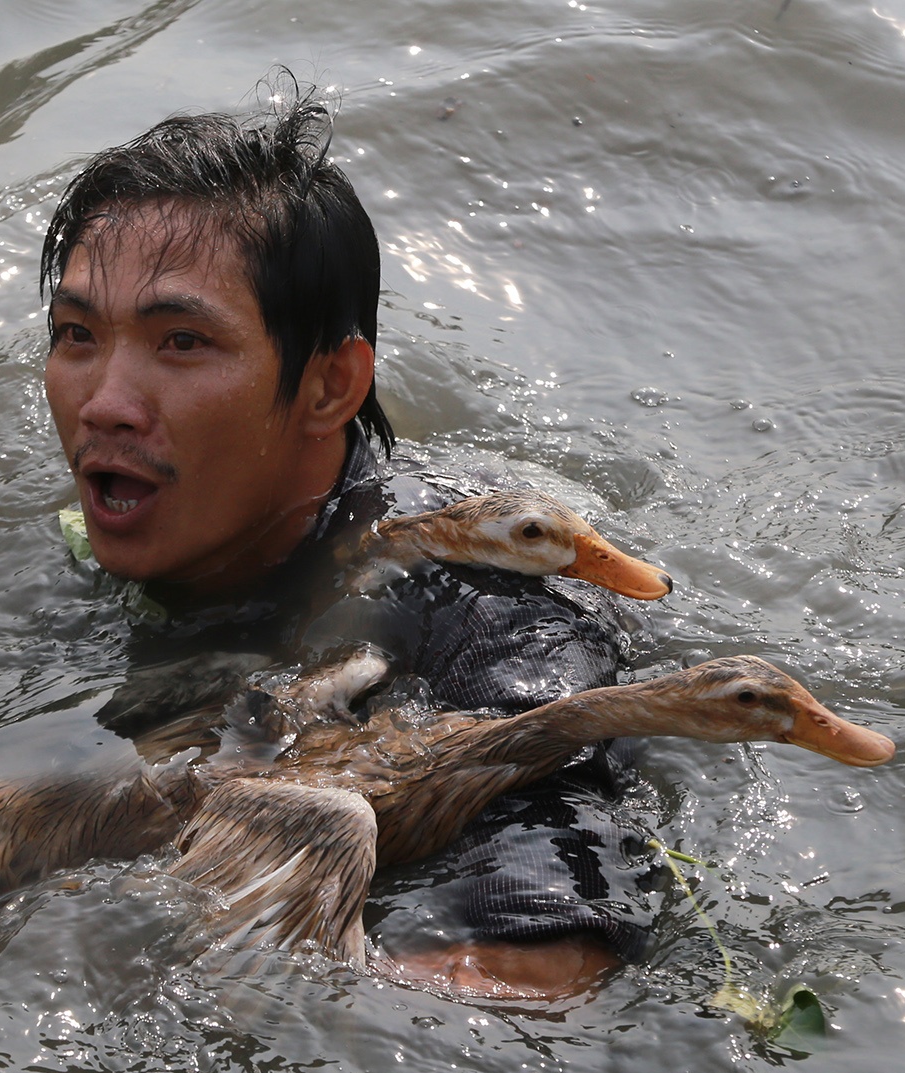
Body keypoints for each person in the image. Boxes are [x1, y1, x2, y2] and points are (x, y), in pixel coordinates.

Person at [40, 83, 654, 1000]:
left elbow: (558, 966)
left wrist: (285, 997)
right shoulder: (111, 538)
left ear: (331, 386)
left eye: (180, 343)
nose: (104, 402)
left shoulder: (494, 621)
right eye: (77, 335)